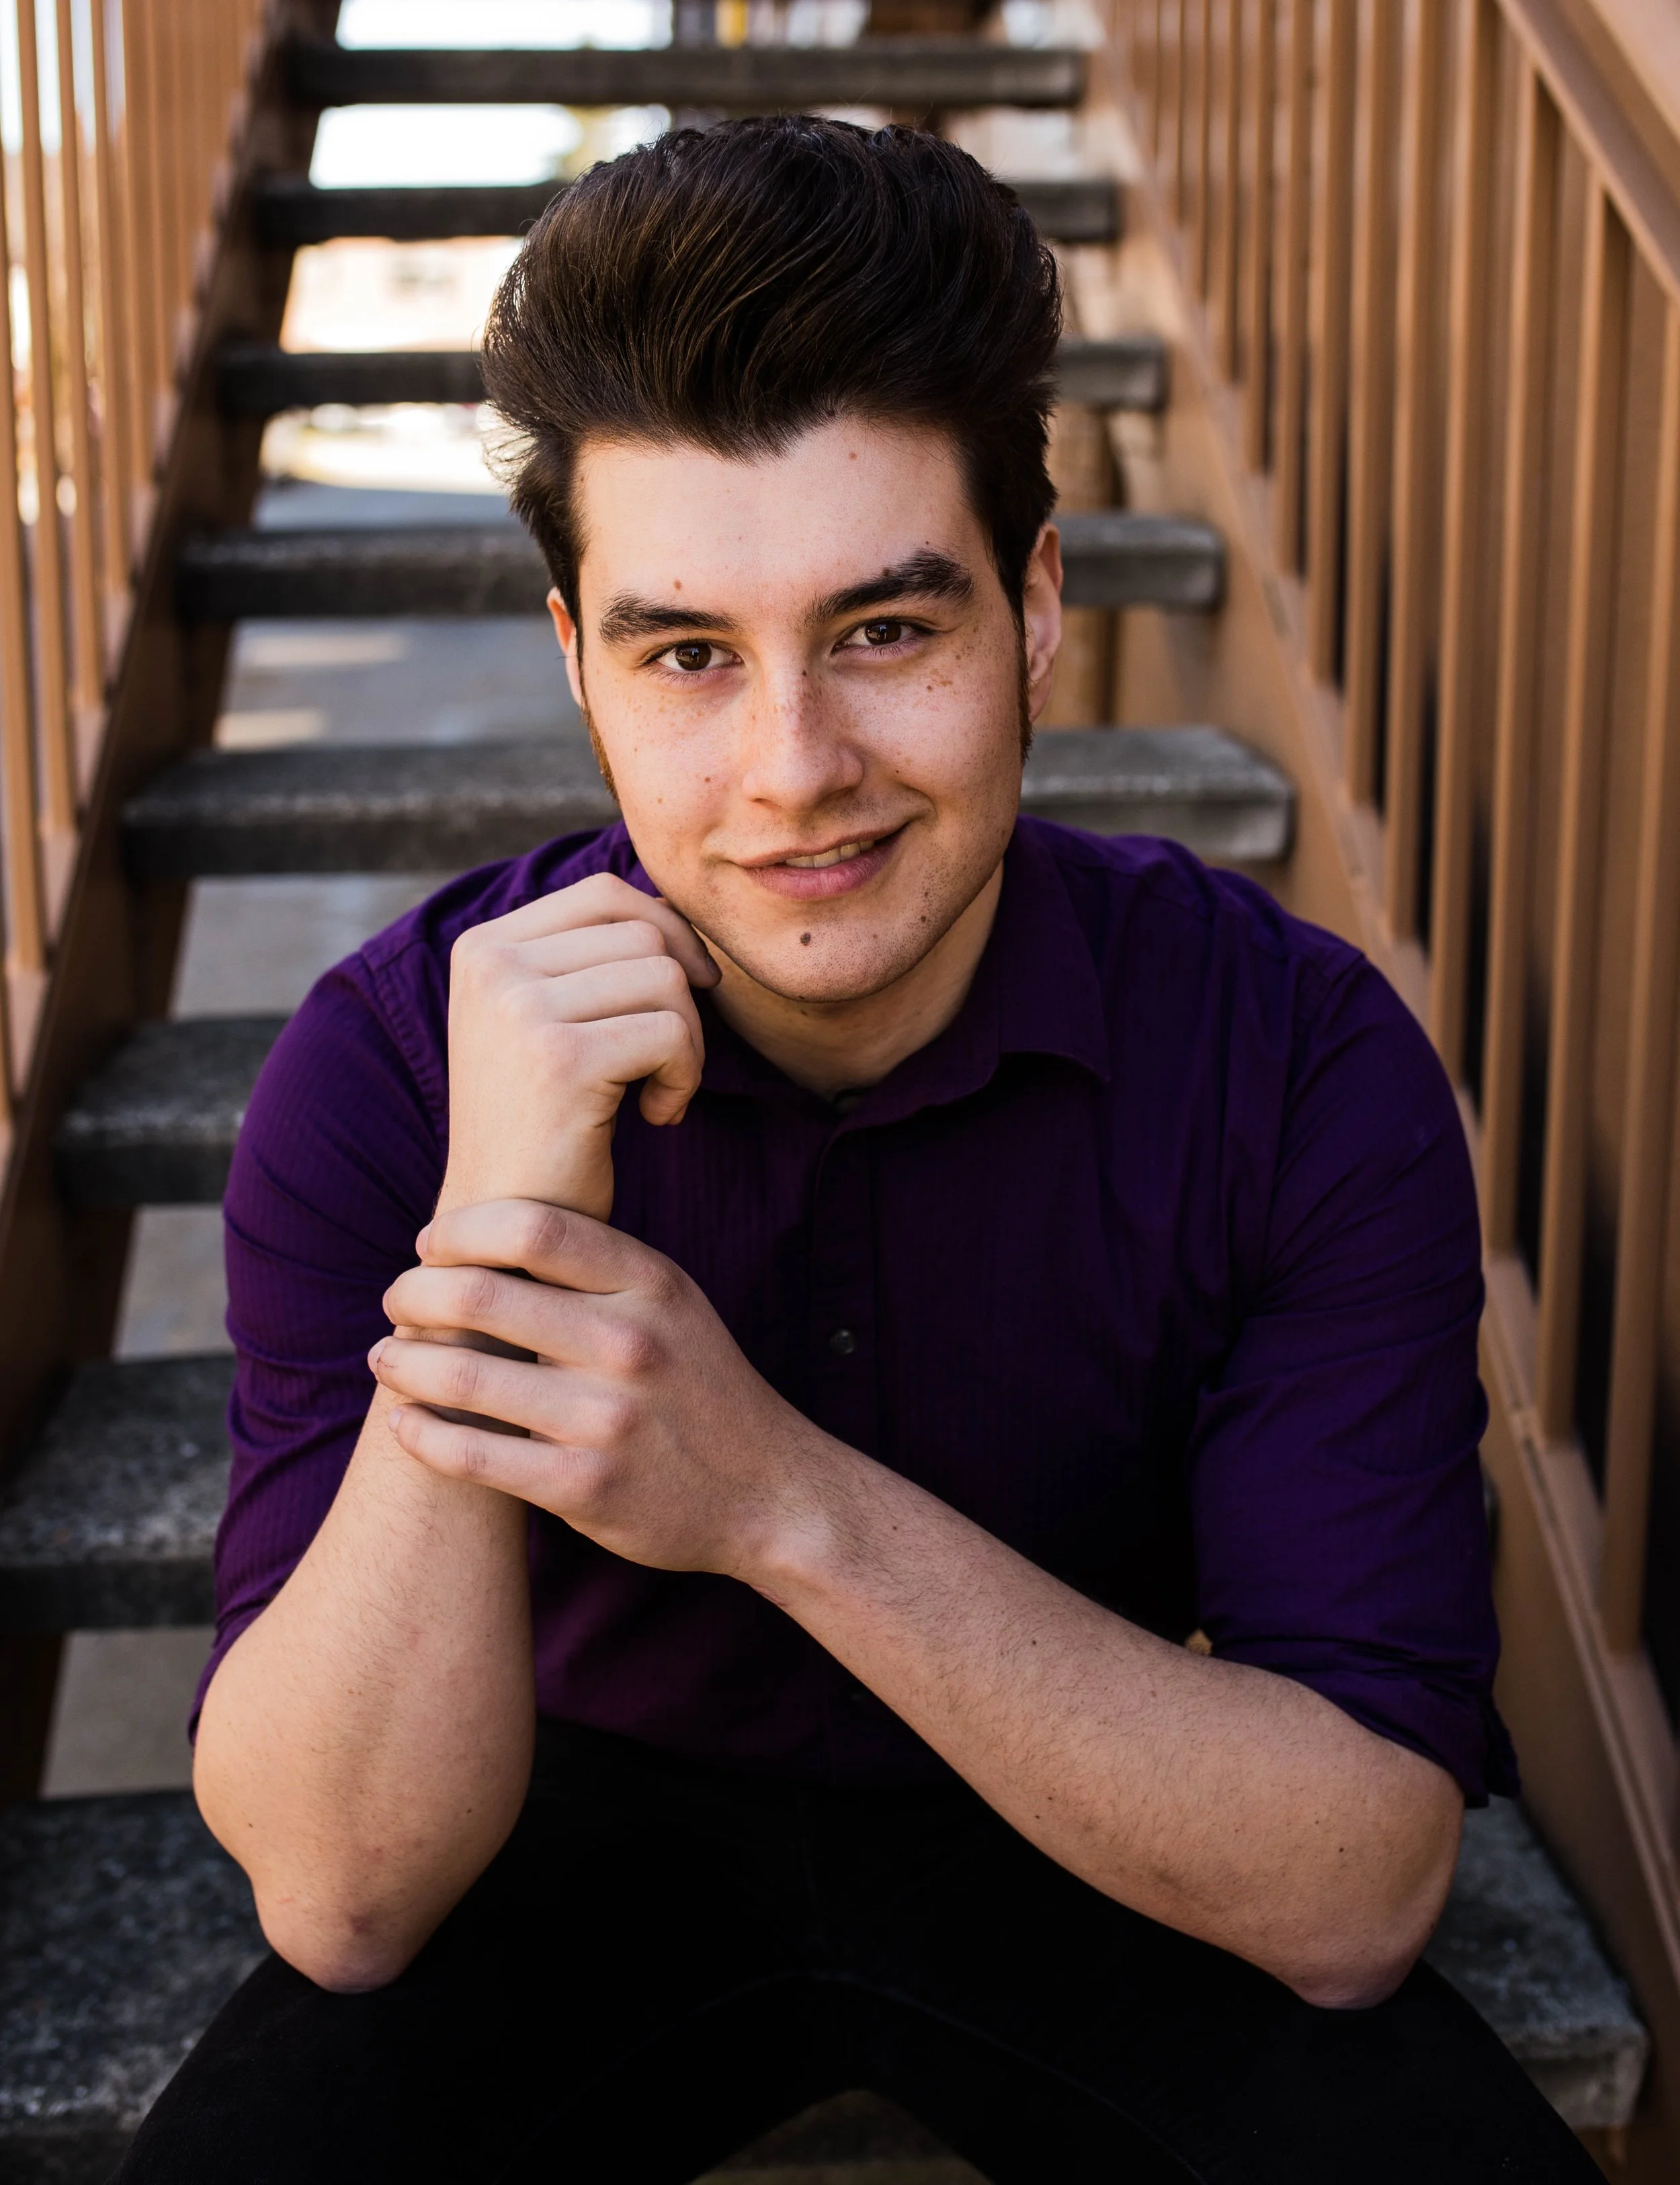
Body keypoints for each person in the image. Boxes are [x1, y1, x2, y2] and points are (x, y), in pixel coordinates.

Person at [119, 117, 1596, 2184]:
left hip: (1093, 1774)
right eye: (687, 653)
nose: (793, 772)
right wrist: (498, 1215)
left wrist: (771, 1499)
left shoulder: (1290, 1054)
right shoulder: (394, 1063)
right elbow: (347, 1892)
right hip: (571, 1814)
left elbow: (1352, 1898)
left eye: (885, 631)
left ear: (1036, 606)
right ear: (576, 665)